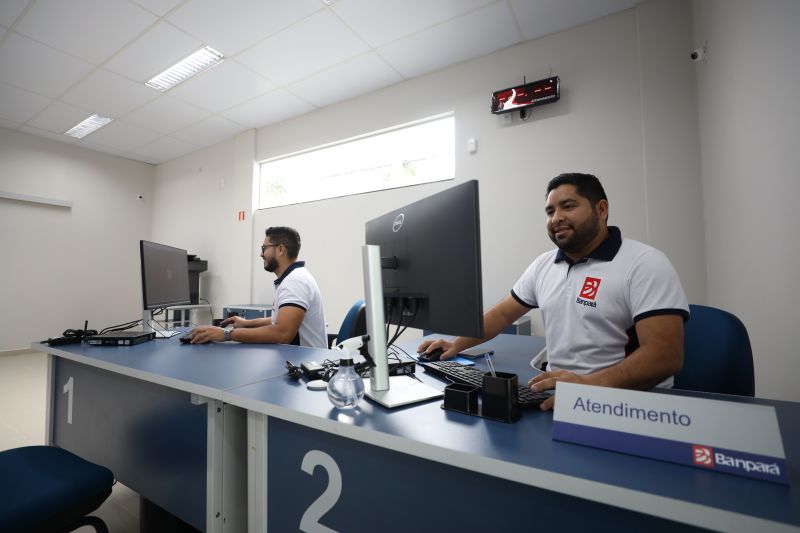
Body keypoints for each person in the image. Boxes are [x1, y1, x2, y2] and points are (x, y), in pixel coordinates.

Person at [418, 173, 689, 411]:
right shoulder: (544, 265)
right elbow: (502, 315)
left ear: (602, 209)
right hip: (559, 394)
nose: (556, 218)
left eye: (568, 206)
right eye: (550, 211)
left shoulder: (644, 263)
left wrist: (588, 387)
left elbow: (665, 355)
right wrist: (456, 344)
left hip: (627, 402)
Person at [189, 226, 328, 348]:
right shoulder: (292, 278)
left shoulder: (295, 282)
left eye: (264, 248)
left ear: (280, 249)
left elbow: (282, 333)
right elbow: (278, 319)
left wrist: (226, 334)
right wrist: (247, 323)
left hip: (308, 369)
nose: (262, 254)